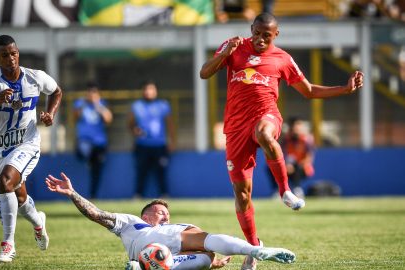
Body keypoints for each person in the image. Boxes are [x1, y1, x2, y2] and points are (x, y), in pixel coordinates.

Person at [199, 13, 363, 269]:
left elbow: (308, 90)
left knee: (265, 134)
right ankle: (254, 247)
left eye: (267, 34)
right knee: (242, 195)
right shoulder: (233, 46)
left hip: (266, 115)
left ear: (276, 34)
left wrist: (344, 89)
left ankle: (285, 190)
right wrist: (223, 55)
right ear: (251, 29)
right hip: (236, 127)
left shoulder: (283, 59)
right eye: (257, 32)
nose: (261, 39)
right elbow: (204, 73)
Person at [45, 172, 296, 270]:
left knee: (207, 258)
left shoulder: (150, 229)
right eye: (159, 211)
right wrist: (72, 194)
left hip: (161, 255)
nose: (165, 215)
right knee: (202, 237)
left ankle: (145, 267)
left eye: (167, 214)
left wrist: (217, 262)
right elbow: (96, 214)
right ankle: (255, 250)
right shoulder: (131, 222)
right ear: (145, 215)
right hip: (157, 245)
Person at [0, 35, 63, 263]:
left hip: (27, 143)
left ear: (18, 52)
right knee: (19, 198)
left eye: (14, 53)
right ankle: (39, 222)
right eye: (4, 55)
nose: (11, 59)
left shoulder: (35, 76)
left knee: (5, 182)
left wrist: (50, 114)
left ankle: (8, 244)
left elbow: (57, 92)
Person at [129, 80, 175, 198]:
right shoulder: (137, 106)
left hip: (159, 144)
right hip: (142, 144)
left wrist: (172, 141)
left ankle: (164, 194)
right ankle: (138, 195)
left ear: (156, 91)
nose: (148, 92)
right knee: (141, 171)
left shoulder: (163, 105)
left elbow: (170, 124)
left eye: (151, 89)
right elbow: (130, 124)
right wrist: (134, 130)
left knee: (161, 171)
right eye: (146, 89)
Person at [74, 81, 113, 199]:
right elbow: (75, 116)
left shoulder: (102, 104)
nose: (91, 95)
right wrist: (84, 105)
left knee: (97, 170)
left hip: (99, 142)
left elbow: (108, 119)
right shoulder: (80, 104)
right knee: (84, 151)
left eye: (94, 92)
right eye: (89, 92)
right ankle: (88, 160)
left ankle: (93, 195)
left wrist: (97, 105)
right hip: (84, 141)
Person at [268, 117, 315, 198]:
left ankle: (297, 189)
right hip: (287, 165)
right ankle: (279, 190)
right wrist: (286, 164)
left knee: (298, 167)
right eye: (294, 127)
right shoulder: (286, 140)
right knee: (272, 167)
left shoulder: (306, 140)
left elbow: (309, 158)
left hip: (302, 168)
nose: (295, 129)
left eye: (298, 127)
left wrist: (295, 164)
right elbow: (281, 154)